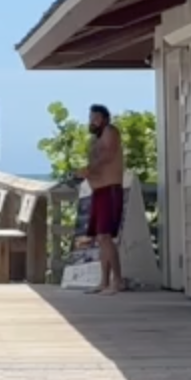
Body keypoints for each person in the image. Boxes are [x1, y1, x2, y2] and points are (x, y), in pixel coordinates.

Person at [84, 104, 125, 295]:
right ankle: (103, 281)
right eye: (91, 117)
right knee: (101, 238)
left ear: (105, 119)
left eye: (97, 117)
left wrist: (89, 170)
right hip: (98, 191)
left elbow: (107, 156)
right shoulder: (94, 139)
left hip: (110, 190)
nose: (93, 121)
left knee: (106, 236)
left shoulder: (110, 131)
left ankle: (117, 281)